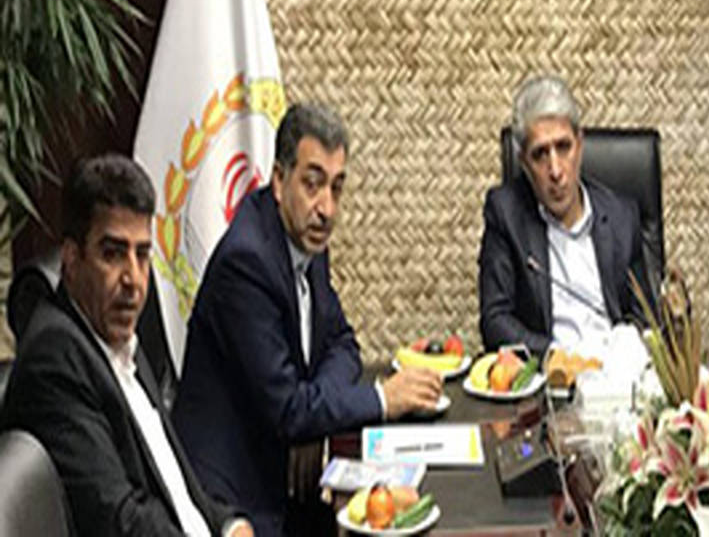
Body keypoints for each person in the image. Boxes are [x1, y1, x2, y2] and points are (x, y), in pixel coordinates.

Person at [172, 103, 442, 536]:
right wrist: (381, 399)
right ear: (279, 181)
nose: (327, 208)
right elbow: (287, 409)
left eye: (337, 188)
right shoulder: (247, 262)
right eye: (313, 184)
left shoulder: (305, 240)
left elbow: (342, 343)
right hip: (233, 498)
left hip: (287, 468)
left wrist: (311, 422)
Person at [0, 155, 251, 537]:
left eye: (142, 254)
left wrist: (228, 525)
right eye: (113, 253)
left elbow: (176, 484)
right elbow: (121, 521)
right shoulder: (56, 358)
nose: (133, 278)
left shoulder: (117, 335)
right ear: (71, 258)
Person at [478, 74, 655, 356]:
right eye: (540, 154)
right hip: (552, 373)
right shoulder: (505, 214)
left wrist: (622, 354)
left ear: (579, 145)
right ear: (524, 162)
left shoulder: (622, 217)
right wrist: (556, 357)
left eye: (563, 147)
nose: (556, 170)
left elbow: (645, 317)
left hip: (617, 369)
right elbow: (495, 322)